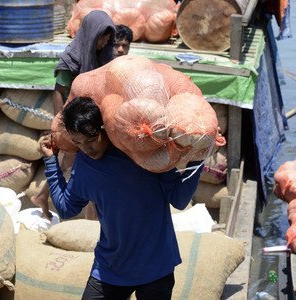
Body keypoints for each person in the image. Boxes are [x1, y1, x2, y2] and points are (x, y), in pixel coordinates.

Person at [38, 96, 203, 300]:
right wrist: (50, 161)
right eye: (78, 143)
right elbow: (66, 208)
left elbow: (179, 199)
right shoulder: (84, 164)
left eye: (91, 139)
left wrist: (199, 157)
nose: (87, 149)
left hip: (156, 267)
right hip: (110, 268)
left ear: (104, 128)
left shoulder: (143, 151)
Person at [31, 10, 116, 220]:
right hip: (74, 121)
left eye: (108, 37)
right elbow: (59, 91)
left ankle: (42, 196)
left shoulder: (104, 56)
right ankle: (46, 198)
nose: (105, 41)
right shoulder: (73, 56)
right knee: (75, 163)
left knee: (76, 163)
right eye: (101, 37)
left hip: (90, 121)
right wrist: (61, 125)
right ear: (90, 33)